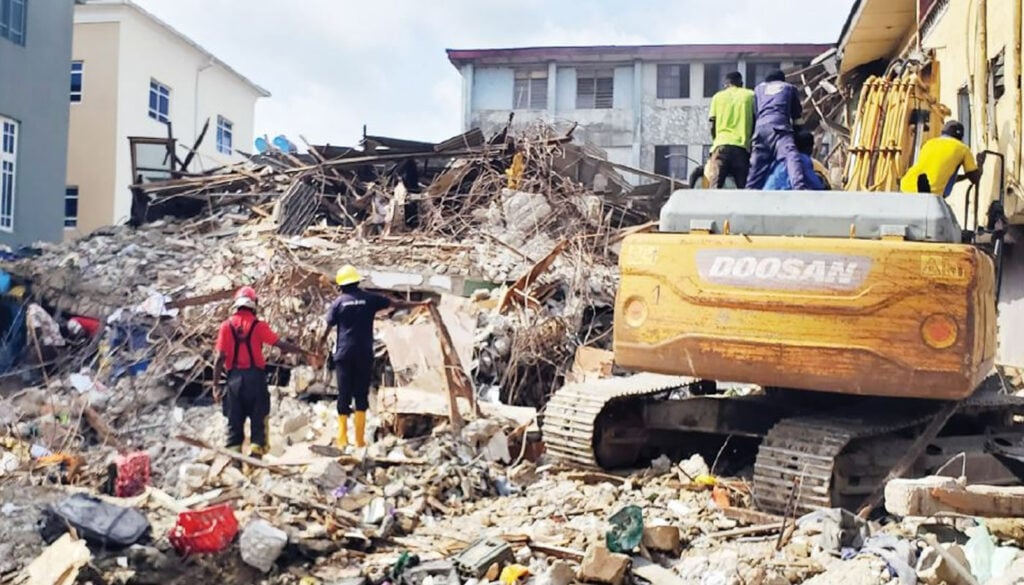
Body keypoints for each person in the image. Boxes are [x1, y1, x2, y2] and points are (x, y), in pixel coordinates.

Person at [321, 265, 429, 449]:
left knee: (344, 395)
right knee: (361, 395)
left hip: (344, 354)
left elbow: (327, 328)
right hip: (364, 354)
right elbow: (396, 304)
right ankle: (360, 440)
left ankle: (342, 439)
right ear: (357, 281)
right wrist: (421, 304)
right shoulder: (370, 299)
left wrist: (319, 345)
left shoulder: (338, 303)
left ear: (341, 285)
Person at [212, 286, 316, 458]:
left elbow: (219, 358)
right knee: (259, 417)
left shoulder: (226, 326)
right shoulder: (258, 326)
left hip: (234, 380)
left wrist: (216, 385)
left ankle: (234, 458)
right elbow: (280, 344)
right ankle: (256, 454)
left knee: (234, 420)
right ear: (254, 305)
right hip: (255, 379)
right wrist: (303, 351)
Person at [747, 70, 810, 190]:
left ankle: (750, 190)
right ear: (782, 79)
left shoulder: (758, 89)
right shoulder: (789, 88)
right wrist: (798, 135)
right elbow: (796, 116)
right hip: (779, 128)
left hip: (760, 129)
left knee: (757, 165)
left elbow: (756, 113)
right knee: (791, 156)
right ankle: (799, 187)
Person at [900, 120, 981, 196]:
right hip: (929, 194)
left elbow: (938, 173)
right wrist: (979, 168)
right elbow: (974, 177)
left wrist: (962, 177)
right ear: (961, 137)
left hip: (906, 187)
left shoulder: (929, 143)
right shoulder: (963, 149)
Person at [707, 71, 755, 188]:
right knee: (743, 189)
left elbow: (712, 125)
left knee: (714, 187)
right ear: (741, 83)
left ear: (726, 84)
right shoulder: (750, 95)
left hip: (721, 146)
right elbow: (755, 121)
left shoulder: (717, 97)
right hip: (742, 148)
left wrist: (716, 142)